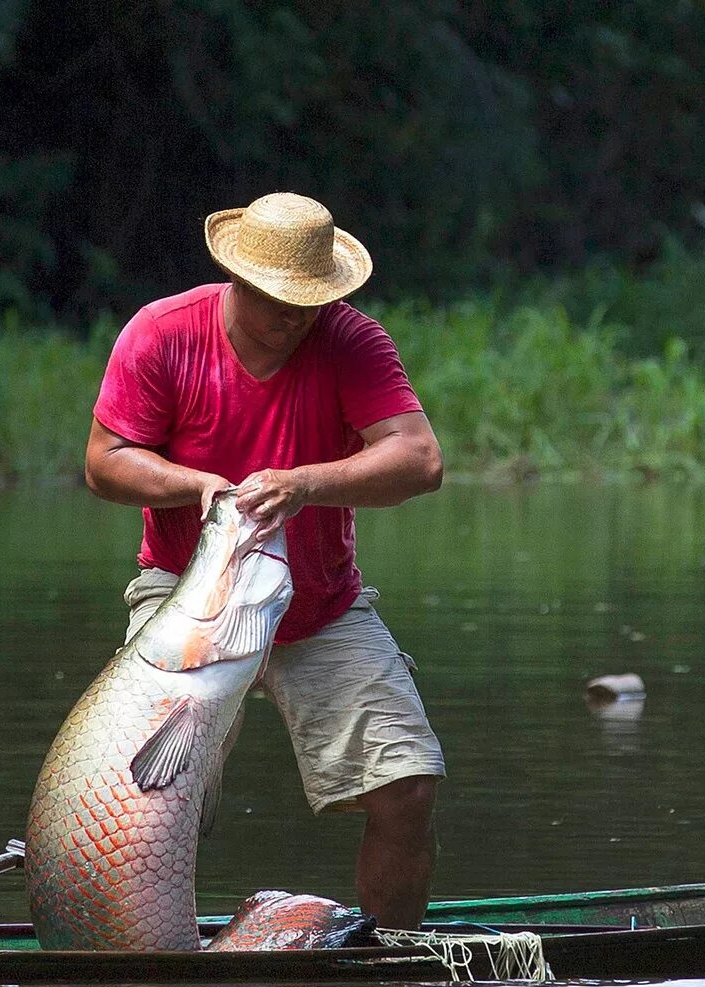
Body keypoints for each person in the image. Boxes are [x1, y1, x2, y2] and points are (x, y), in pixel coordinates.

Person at [83, 192, 445, 929]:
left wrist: (304, 480)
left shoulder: (351, 341)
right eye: (280, 300)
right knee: (136, 798)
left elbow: (419, 459)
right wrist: (196, 486)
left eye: (311, 301)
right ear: (238, 282)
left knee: (406, 787)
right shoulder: (162, 333)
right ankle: (133, 950)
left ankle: (395, 966)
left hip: (319, 603)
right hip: (185, 596)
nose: (297, 316)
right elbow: (104, 462)